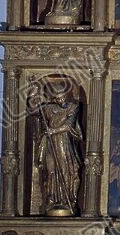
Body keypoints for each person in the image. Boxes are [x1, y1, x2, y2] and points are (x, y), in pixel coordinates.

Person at [29, 83, 85, 217]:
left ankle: (69, 200)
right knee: (50, 172)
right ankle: (52, 200)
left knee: (69, 171)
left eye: (63, 97)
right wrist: (33, 94)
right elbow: (33, 110)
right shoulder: (48, 108)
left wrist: (52, 131)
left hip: (65, 145)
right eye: (58, 98)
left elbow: (68, 125)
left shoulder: (74, 106)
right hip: (50, 145)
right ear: (54, 98)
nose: (61, 100)